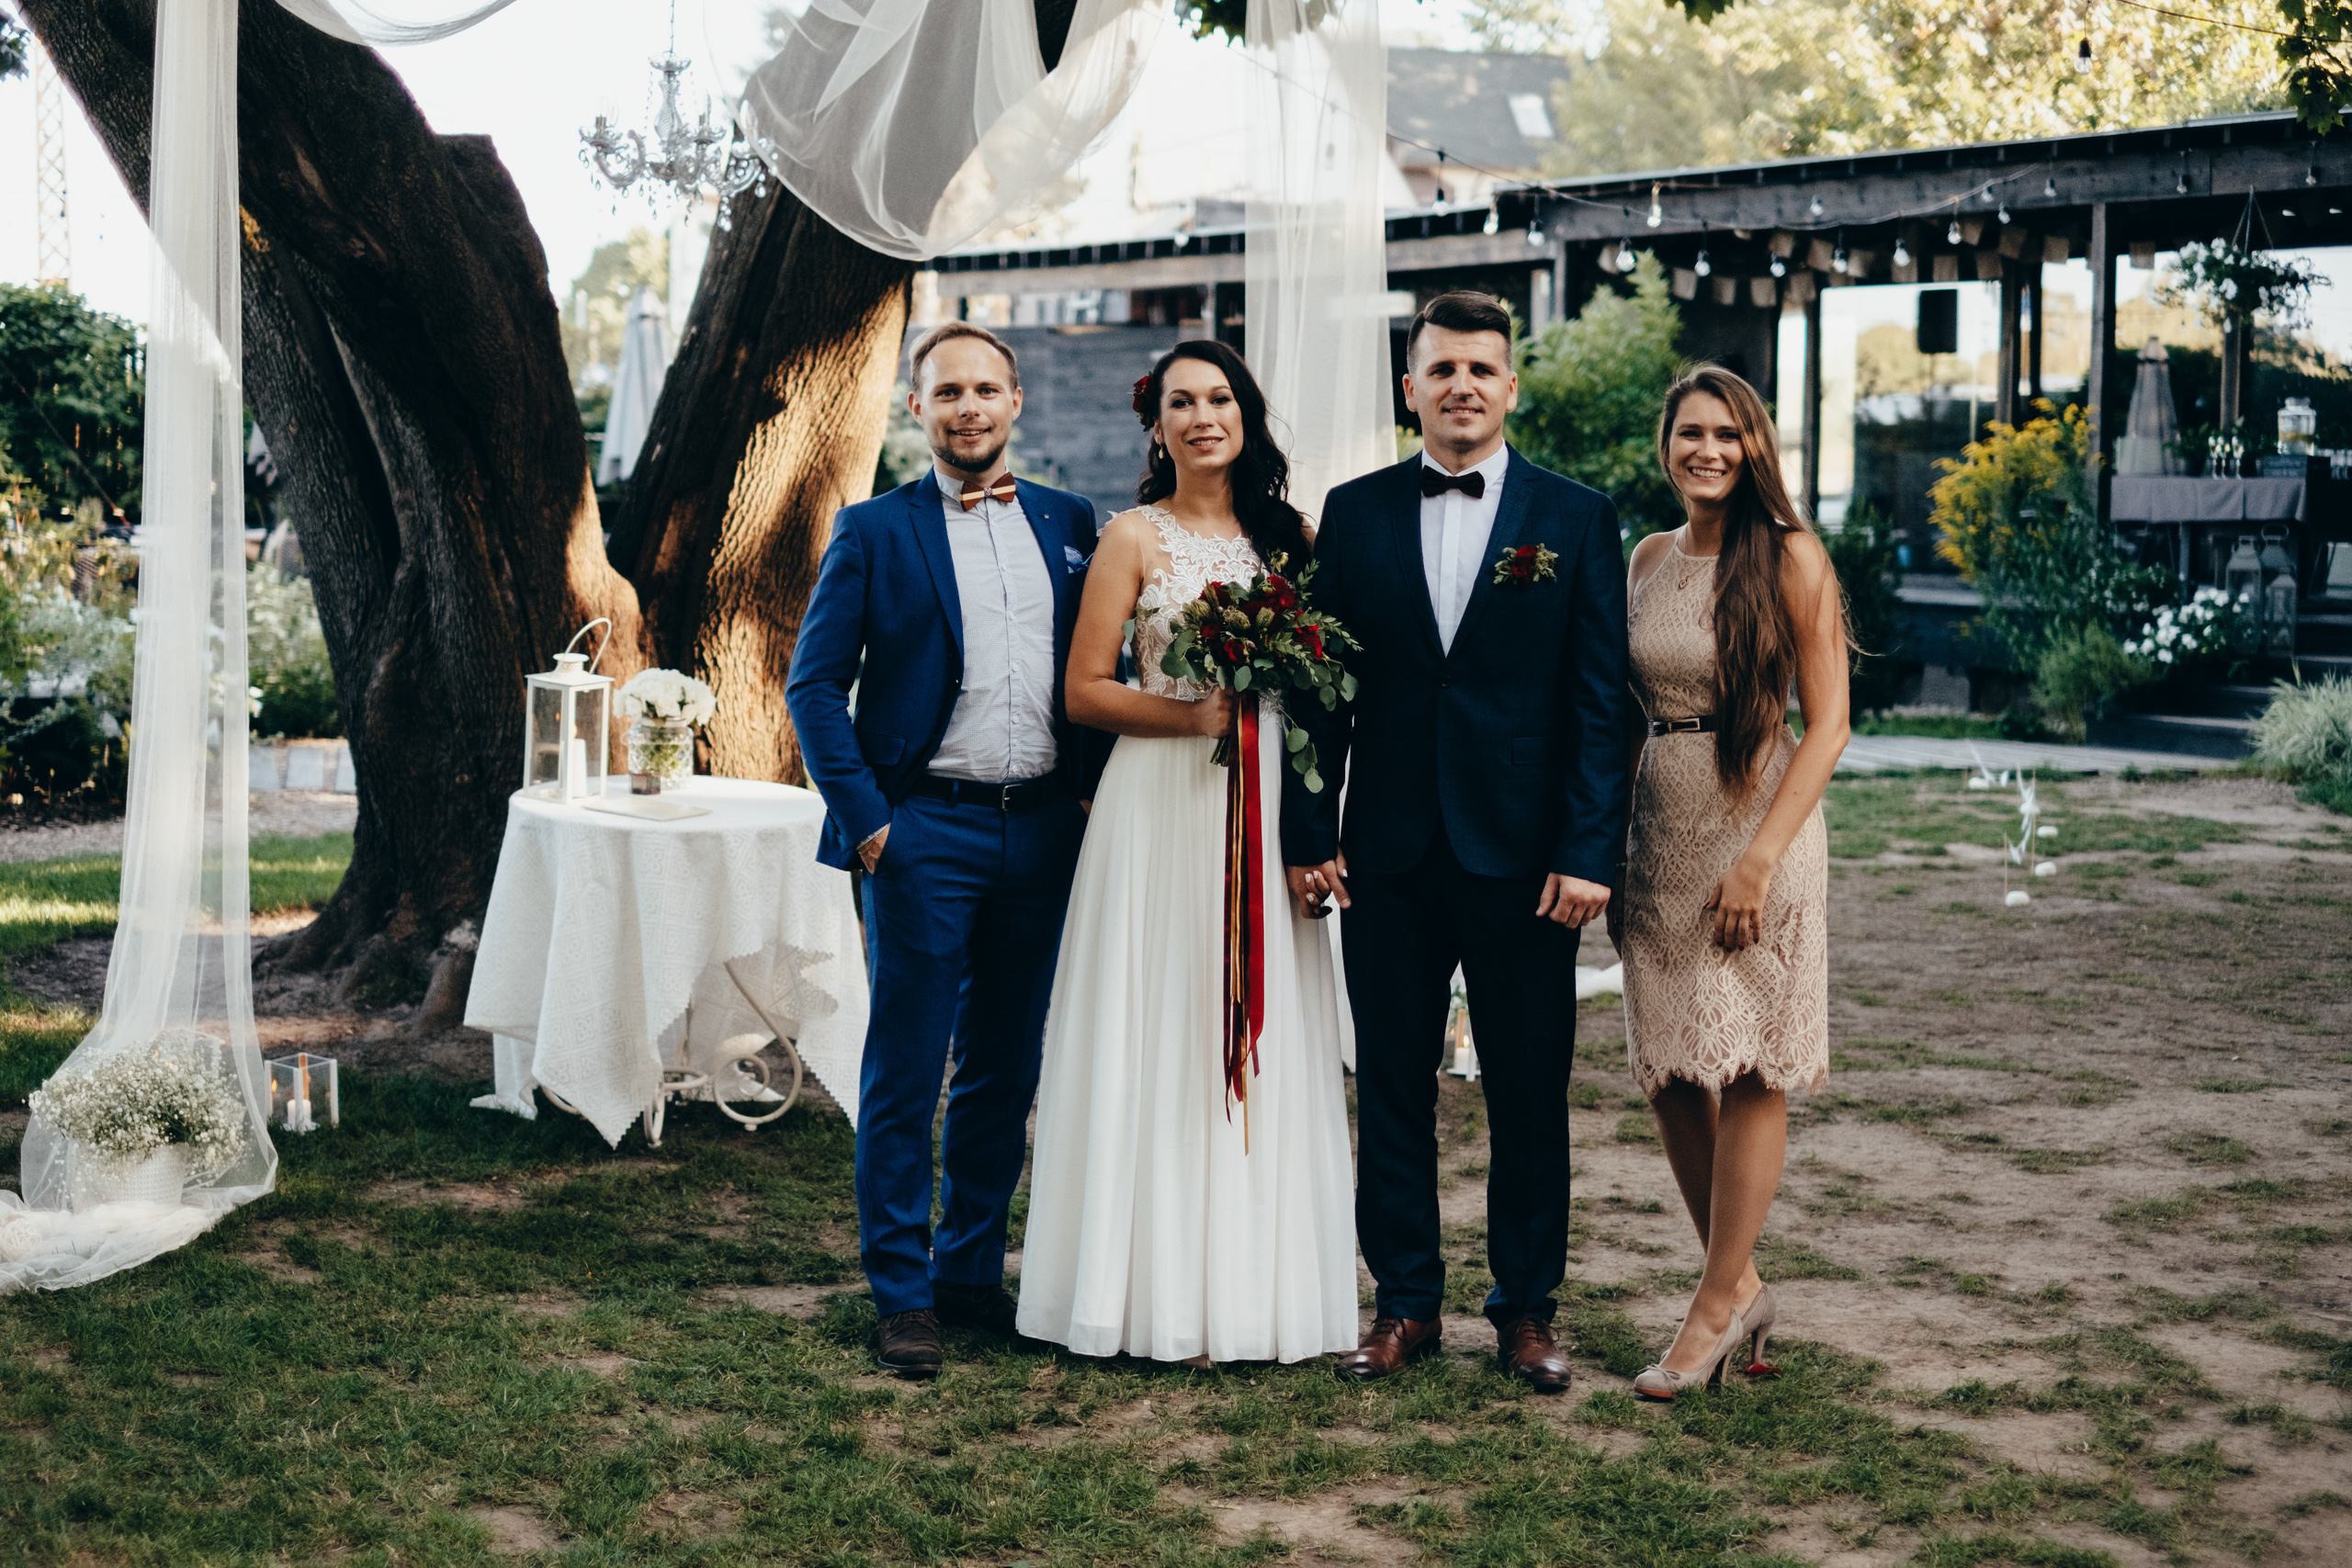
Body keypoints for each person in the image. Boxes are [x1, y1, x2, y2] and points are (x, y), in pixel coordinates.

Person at [1283, 291, 1634, 1392]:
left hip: (1528, 860)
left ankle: (1526, 1312)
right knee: (1390, 1080)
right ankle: (1403, 1305)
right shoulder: (1353, 512)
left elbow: (1597, 704)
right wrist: (1307, 830)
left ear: (1509, 386)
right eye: (1441, 370)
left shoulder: (1574, 518)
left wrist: (1587, 851)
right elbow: (1319, 690)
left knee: (1529, 1087)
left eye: (1481, 369)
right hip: (1384, 849)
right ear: (1411, 388)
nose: (1461, 387)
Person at [1015, 341, 1359, 1367]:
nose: (1202, 416)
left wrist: (1310, 824)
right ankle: (1139, 1292)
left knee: (1260, 1026)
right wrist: (1193, 714)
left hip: (1260, 815)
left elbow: (1319, 696)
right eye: (1181, 403)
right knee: (1153, 1020)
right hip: (1158, 808)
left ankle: (1251, 1293)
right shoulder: (1132, 537)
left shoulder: (1291, 540)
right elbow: (1082, 692)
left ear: (1245, 415)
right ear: (1155, 426)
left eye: (1219, 398)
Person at [784, 322, 1105, 1379]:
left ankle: (971, 1272)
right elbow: (814, 686)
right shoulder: (874, 531)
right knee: (907, 1068)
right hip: (924, 834)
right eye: (945, 393)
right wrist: (873, 822)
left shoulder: (1070, 522)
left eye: (985, 389)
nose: (968, 408)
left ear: (1016, 401)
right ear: (917, 411)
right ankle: (901, 1292)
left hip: (1045, 829)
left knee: (1005, 1067)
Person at [1611, 364, 1848, 1399]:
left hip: (1759, 828)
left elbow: (1830, 723)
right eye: (1689, 433)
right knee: (1669, 1066)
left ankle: (1711, 1306)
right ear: (1665, 446)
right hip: (1656, 824)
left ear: (1754, 446)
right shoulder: (1648, 557)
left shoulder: (1790, 555)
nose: (1707, 450)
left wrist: (1757, 859)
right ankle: (1740, 1281)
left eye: (1727, 434)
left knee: (1750, 1067)